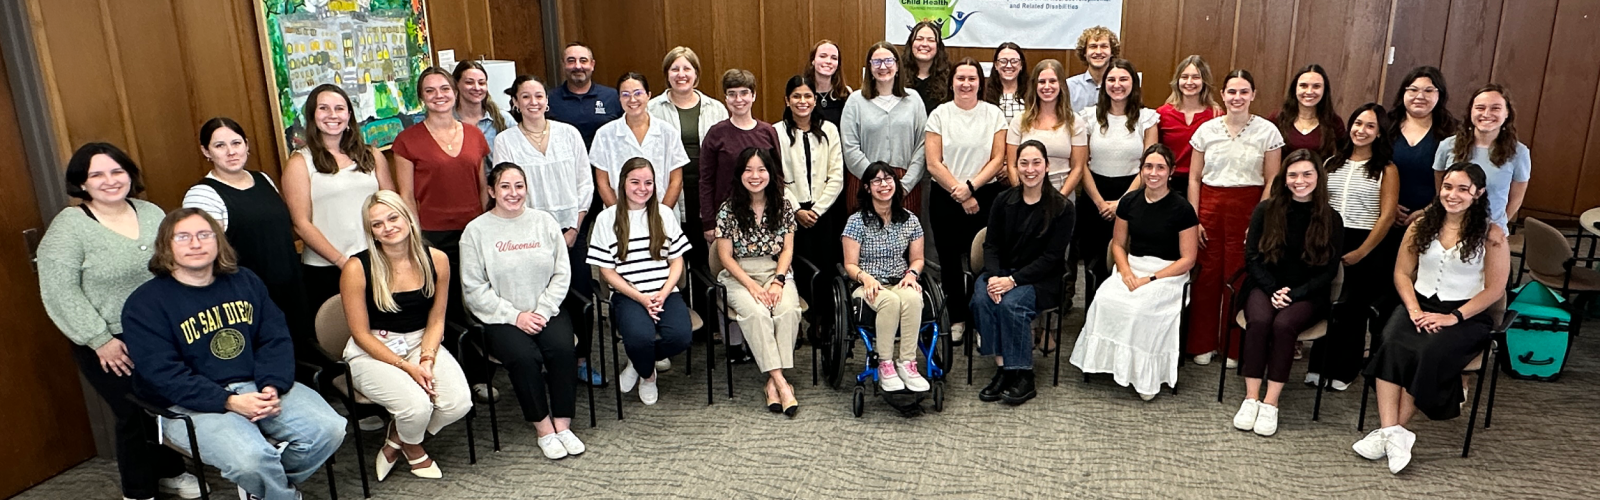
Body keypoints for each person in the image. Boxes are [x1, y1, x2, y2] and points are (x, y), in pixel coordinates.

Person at [122, 208, 345, 500]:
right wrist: (228, 401)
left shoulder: (245, 281)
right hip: (189, 403)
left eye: (205, 235)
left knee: (330, 430)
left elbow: (274, 338)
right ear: (166, 245)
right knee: (252, 460)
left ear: (218, 241)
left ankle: (262, 488)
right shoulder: (144, 304)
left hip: (257, 383)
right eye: (183, 237)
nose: (196, 244)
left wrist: (271, 385)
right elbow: (163, 375)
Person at [37, 143, 201, 500]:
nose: (109, 180)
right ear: (82, 182)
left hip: (161, 331)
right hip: (108, 338)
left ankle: (170, 472)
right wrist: (100, 340)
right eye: (97, 174)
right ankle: (138, 491)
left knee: (165, 403)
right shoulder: (70, 226)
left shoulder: (151, 213)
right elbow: (60, 291)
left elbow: (175, 266)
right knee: (132, 412)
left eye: (117, 171)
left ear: (130, 175)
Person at [1355, 162, 1508, 474]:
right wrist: (1413, 309)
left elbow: (1495, 289)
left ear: (1478, 193)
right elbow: (1402, 273)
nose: (1453, 194)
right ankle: (1392, 431)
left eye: (1463, 189)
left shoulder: (1491, 234)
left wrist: (1454, 317)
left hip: (1466, 314)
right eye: (1448, 187)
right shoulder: (1421, 224)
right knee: (1391, 341)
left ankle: (1392, 431)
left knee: (1426, 351)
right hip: (1420, 302)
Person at [339, 191, 471, 481]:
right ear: (371, 232)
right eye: (377, 224)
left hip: (420, 341)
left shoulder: (437, 259)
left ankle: (397, 437)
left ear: (408, 218)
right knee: (416, 406)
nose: (387, 227)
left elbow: (437, 319)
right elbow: (360, 334)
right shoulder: (356, 267)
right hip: (371, 349)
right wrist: (406, 367)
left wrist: (426, 359)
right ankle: (414, 449)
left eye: (393, 218)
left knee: (458, 403)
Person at [461, 164, 585, 460]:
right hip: (501, 317)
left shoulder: (544, 222)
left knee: (562, 349)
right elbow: (474, 289)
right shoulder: (475, 231)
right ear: (491, 191)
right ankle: (544, 429)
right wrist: (515, 316)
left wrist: (542, 310)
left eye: (519, 186)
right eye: (505, 186)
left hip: (546, 309)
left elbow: (562, 274)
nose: (513, 193)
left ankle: (563, 424)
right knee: (524, 358)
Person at [493, 74, 604, 387]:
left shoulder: (569, 134)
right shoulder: (505, 141)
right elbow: (508, 191)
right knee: (537, 298)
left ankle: (581, 360)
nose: (533, 102)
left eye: (538, 96)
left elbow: (585, 183)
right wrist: (537, 235)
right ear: (515, 102)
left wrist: (575, 227)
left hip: (572, 231)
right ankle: (545, 361)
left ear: (547, 100)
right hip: (528, 236)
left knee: (579, 295)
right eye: (525, 97)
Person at [1069, 144, 1199, 401]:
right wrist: (1126, 272)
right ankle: (1107, 363)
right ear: (1141, 170)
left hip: (1168, 274)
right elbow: (1118, 245)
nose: (1153, 173)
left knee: (1140, 309)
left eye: (1160, 167)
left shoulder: (1182, 209)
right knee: (1104, 300)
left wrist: (1150, 278)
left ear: (1171, 172)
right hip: (1133, 265)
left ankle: (1144, 376)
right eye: (1148, 167)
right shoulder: (1129, 202)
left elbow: (1188, 259)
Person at [1232, 149, 1345, 437]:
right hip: (1265, 285)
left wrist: (1293, 294)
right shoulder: (1265, 210)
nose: (1299, 181)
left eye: (1307, 174)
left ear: (1318, 177)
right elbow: (1252, 258)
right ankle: (1251, 398)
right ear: (1284, 179)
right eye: (1293, 175)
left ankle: (1271, 403)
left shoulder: (1331, 218)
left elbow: (1329, 271)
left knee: (1283, 326)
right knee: (1259, 321)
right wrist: (1273, 289)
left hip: (1308, 292)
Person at [183, 117, 313, 364]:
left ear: (247, 145)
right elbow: (205, 257)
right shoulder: (202, 195)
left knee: (301, 360)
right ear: (206, 151)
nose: (231, 152)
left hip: (290, 290)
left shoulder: (263, 179)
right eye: (220, 146)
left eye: (236, 143)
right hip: (246, 300)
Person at [1187, 69, 1285, 367]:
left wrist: (1259, 220)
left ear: (1253, 95)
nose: (1237, 97)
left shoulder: (1268, 132)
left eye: (1244, 92)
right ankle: (1202, 342)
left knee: (1240, 276)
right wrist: (1194, 219)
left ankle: (1234, 345)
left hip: (1249, 209)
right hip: (1209, 208)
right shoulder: (1206, 130)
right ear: (1222, 95)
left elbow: (1272, 180)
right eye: (1232, 92)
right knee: (1205, 276)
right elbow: (1194, 178)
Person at [1306, 103, 1400, 391]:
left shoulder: (1387, 169)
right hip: (1330, 238)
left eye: (1370, 126)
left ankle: (1344, 370)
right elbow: (1319, 204)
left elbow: (1387, 216)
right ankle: (1318, 366)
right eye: (1358, 123)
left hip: (1366, 242)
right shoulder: (1331, 162)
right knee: (1326, 303)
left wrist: (1363, 251)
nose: (1362, 130)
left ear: (1380, 133)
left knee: (1352, 308)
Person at [972, 140, 1074, 406]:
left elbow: (1052, 258)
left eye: (1036, 163)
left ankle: (1024, 375)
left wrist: (1012, 281)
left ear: (1047, 166)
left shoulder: (1063, 208)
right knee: (982, 298)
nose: (1030, 169)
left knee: (1012, 304)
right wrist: (995, 277)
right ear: (1016, 167)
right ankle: (1004, 369)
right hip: (1001, 272)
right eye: (1024, 163)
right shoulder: (1003, 201)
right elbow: (991, 245)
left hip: (1041, 278)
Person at [589, 158, 694, 406]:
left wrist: (663, 293)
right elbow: (606, 271)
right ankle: (648, 376)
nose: (642, 188)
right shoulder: (607, 218)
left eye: (648, 182)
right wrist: (641, 298)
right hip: (628, 295)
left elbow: (677, 261)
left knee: (680, 337)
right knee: (639, 339)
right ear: (623, 183)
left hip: (664, 292)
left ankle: (638, 363)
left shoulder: (664, 214)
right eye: (635, 182)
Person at [282, 84, 393, 315]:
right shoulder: (300, 163)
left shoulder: (372, 155)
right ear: (312, 115)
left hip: (377, 261)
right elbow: (301, 223)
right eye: (324, 108)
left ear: (349, 115)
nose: (332, 115)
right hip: (328, 268)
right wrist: (342, 262)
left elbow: (391, 206)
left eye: (339, 108)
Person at [925, 58, 1008, 345]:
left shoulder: (993, 114)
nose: (966, 84)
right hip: (946, 194)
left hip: (985, 195)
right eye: (960, 78)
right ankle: (957, 319)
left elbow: (998, 158)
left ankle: (981, 319)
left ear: (980, 83)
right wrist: (959, 191)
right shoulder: (939, 114)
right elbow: (933, 162)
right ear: (952, 82)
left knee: (984, 262)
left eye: (972, 78)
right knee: (949, 261)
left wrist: (971, 188)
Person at [715, 148, 802, 414]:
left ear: (770, 173)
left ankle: (773, 383)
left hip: (775, 270)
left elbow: (787, 249)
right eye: (748, 170)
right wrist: (751, 286)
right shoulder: (728, 209)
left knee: (788, 310)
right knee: (757, 313)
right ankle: (782, 384)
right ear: (740, 174)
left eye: (761, 170)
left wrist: (778, 281)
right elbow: (725, 257)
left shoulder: (784, 205)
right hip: (739, 274)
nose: (755, 176)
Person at [843, 163, 929, 393]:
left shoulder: (909, 220)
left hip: (899, 279)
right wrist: (866, 278)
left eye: (888, 179)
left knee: (913, 298)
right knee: (889, 302)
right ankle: (885, 363)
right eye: (877, 181)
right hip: (867, 284)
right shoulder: (856, 221)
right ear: (867, 187)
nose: (884, 184)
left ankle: (907, 363)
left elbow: (918, 259)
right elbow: (849, 264)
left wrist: (912, 274)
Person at [1077, 59, 1159, 284]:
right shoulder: (1089, 116)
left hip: (1133, 195)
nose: (1117, 85)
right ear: (1104, 84)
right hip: (1095, 196)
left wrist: (1122, 203)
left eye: (1123, 79)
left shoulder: (1147, 118)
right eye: (1111, 79)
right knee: (1093, 265)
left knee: (1127, 263)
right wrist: (1099, 202)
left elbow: (1149, 166)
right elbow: (1081, 164)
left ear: (1134, 83)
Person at [776, 75, 846, 340]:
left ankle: (821, 322)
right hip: (791, 212)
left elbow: (837, 175)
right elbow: (777, 177)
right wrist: (796, 210)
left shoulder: (829, 130)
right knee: (796, 267)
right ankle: (794, 323)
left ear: (815, 100)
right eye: (796, 96)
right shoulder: (776, 132)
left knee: (825, 267)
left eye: (807, 96)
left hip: (824, 211)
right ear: (787, 100)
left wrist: (817, 209)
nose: (802, 101)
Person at [649, 46, 730, 268]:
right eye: (675, 69)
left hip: (705, 190)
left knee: (704, 256)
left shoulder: (716, 108)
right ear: (667, 74)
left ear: (696, 73)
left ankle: (704, 292)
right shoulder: (652, 110)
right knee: (671, 255)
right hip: (668, 190)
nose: (681, 74)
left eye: (687, 68)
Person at [841, 41, 928, 212]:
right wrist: (874, 181)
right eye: (876, 62)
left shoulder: (914, 100)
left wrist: (905, 186)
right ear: (869, 68)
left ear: (897, 66)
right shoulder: (855, 101)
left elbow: (922, 146)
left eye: (888, 61)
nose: (883, 66)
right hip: (864, 182)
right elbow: (850, 148)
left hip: (905, 184)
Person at [699, 69, 782, 246]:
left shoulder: (768, 132)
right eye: (732, 94)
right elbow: (706, 181)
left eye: (744, 93)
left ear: (753, 95)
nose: (738, 99)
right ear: (725, 98)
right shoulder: (716, 134)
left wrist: (777, 211)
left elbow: (777, 176)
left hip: (764, 217)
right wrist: (709, 222)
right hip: (725, 218)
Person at [1433, 84, 1530, 232]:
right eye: (1480, 108)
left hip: (1491, 231)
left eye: (1495, 108)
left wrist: (1498, 226)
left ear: (1507, 113)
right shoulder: (1447, 146)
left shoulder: (1519, 153)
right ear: (1471, 111)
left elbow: (1516, 199)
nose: (1486, 114)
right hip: (1450, 228)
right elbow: (1440, 188)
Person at [591, 72, 690, 214]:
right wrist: (620, 216)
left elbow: (676, 181)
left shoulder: (668, 132)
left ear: (648, 95)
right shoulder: (604, 135)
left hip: (662, 214)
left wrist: (661, 216)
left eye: (638, 93)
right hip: (619, 216)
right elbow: (603, 183)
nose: (632, 99)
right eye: (625, 94)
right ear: (619, 98)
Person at [1387, 66, 1459, 228]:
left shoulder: (1453, 131)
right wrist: (1388, 206)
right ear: (1403, 93)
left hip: (1434, 217)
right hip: (1383, 215)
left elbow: (1459, 178)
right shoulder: (1385, 124)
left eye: (1428, 91)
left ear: (1440, 95)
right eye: (1413, 90)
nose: (1420, 96)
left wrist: (1429, 210)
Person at [1007, 59, 1088, 199]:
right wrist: (1023, 195)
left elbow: (1078, 168)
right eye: (1042, 82)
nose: (1047, 86)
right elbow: (1012, 166)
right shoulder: (1019, 121)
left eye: (1052, 81)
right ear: (1035, 85)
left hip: (1062, 196)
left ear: (1061, 84)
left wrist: (1058, 201)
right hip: (1025, 196)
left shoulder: (1075, 122)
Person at [1157, 55, 1222, 197]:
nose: (1189, 82)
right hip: (1168, 182)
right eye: (1184, 77)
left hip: (1202, 183)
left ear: (1204, 81)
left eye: (1196, 77)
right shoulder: (1163, 113)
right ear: (1177, 81)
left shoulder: (1216, 115)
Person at [547, 41, 622, 147]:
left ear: (592, 65)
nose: (578, 66)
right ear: (563, 65)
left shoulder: (612, 96)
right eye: (571, 61)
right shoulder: (549, 99)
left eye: (583, 61)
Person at [1270, 64, 1345, 159]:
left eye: (1316, 86)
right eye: (1303, 86)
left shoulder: (1334, 122)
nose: (1309, 91)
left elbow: (1343, 157)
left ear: (1324, 90)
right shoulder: (1277, 119)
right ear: (1295, 88)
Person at [454, 59, 511, 168]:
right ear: (456, 85)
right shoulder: (448, 121)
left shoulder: (504, 119)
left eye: (481, 83)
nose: (477, 88)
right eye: (469, 82)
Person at [902, 21, 952, 113]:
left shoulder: (950, 77)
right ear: (911, 43)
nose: (924, 44)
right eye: (919, 39)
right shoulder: (897, 75)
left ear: (938, 46)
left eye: (931, 40)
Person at [1067, 26, 1120, 112]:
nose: (1098, 52)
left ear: (1112, 52)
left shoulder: (1120, 86)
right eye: (1093, 46)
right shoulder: (1069, 87)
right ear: (1084, 52)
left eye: (1104, 46)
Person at [805, 40, 853, 126]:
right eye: (823, 56)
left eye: (834, 58)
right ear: (813, 60)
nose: (828, 61)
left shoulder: (846, 93)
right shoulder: (802, 92)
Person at [981, 42, 1029, 121]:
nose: (1009, 65)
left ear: (1021, 65)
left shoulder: (1032, 92)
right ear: (996, 65)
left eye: (1014, 61)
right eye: (1003, 61)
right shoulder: (984, 93)